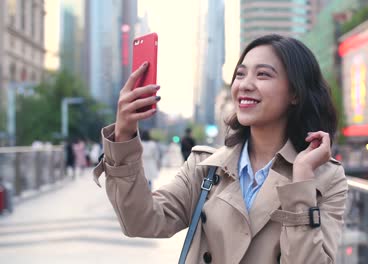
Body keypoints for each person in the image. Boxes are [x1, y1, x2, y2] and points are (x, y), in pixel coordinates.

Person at [93, 34, 348, 263]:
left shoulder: (325, 178)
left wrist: (301, 182)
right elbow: (140, 221)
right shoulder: (205, 168)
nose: (245, 84)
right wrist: (124, 133)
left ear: (295, 93)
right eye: (240, 74)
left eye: (263, 74)